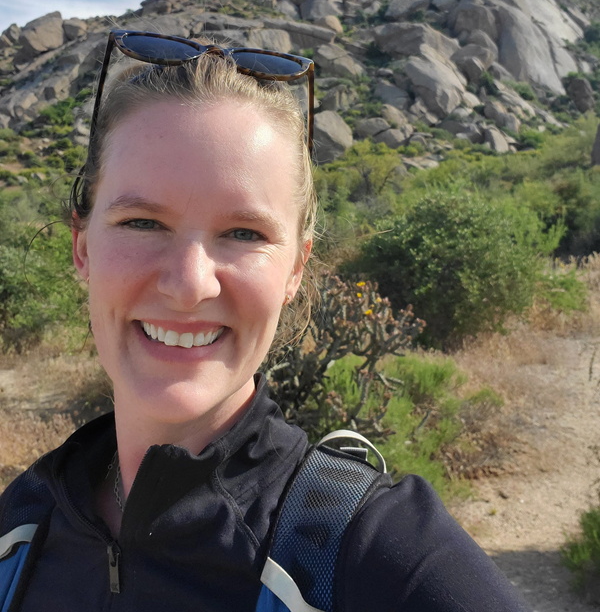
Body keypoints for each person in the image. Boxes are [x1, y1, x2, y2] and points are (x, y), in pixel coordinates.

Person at [0, 30, 532, 611]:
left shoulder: (378, 554)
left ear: (296, 269)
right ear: (82, 245)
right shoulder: (19, 530)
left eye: (244, 233)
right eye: (141, 223)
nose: (189, 284)